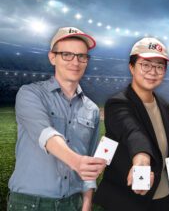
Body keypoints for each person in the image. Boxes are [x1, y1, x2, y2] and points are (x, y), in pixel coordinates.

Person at [7, 27, 107, 211]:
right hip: (30, 204)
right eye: (67, 54)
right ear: (52, 57)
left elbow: (90, 160)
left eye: (81, 56)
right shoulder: (30, 93)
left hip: (73, 203)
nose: (75, 62)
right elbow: (46, 134)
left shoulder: (91, 109)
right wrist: (77, 162)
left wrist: (86, 203)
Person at [93, 37, 169, 211]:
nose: (153, 72)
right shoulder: (117, 103)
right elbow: (132, 132)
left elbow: (166, 147)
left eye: (159, 66)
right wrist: (142, 160)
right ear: (131, 67)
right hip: (128, 201)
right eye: (145, 64)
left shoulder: (164, 105)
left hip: (164, 198)